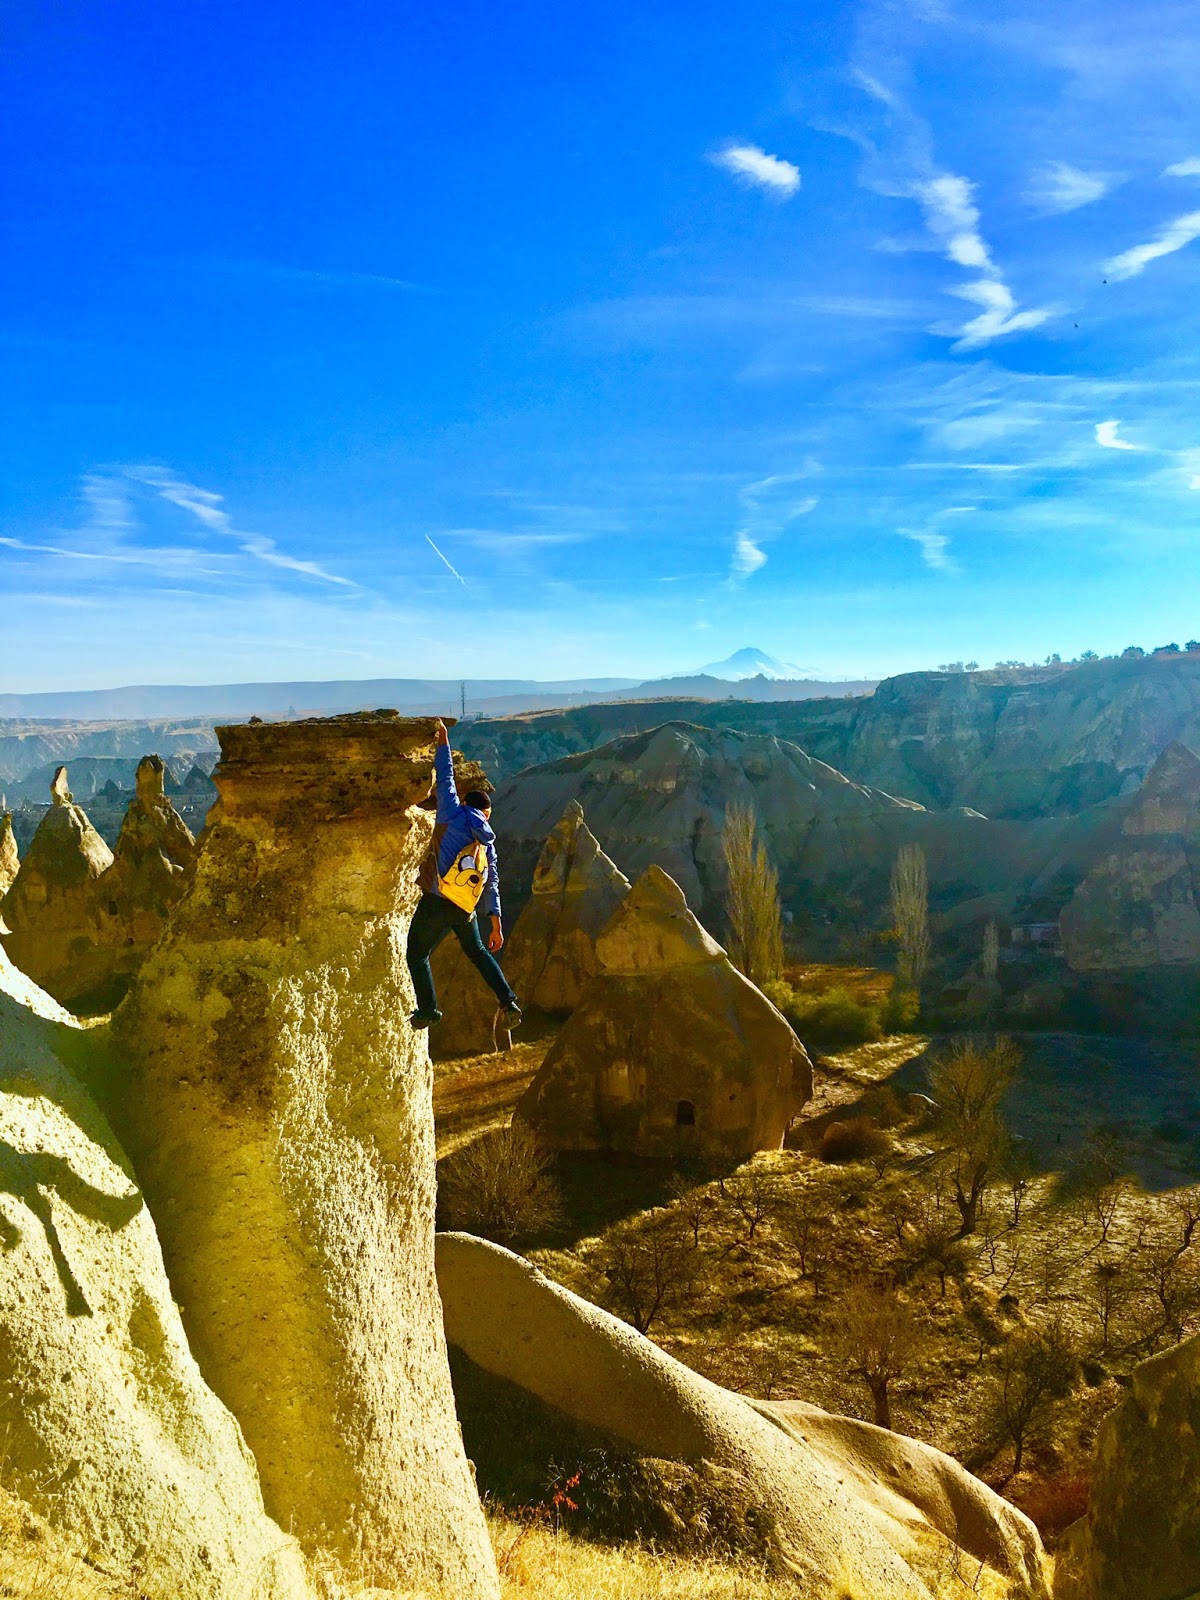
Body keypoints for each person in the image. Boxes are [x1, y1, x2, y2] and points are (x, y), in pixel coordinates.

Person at [406, 718, 522, 1031]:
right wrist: (496, 923)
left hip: (437, 901)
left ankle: (428, 1010)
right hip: (465, 907)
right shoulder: (487, 843)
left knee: (417, 954)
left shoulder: (451, 814)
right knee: (479, 952)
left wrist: (443, 739)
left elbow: (445, 776)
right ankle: (508, 1002)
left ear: (466, 801)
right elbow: (491, 882)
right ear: (484, 813)